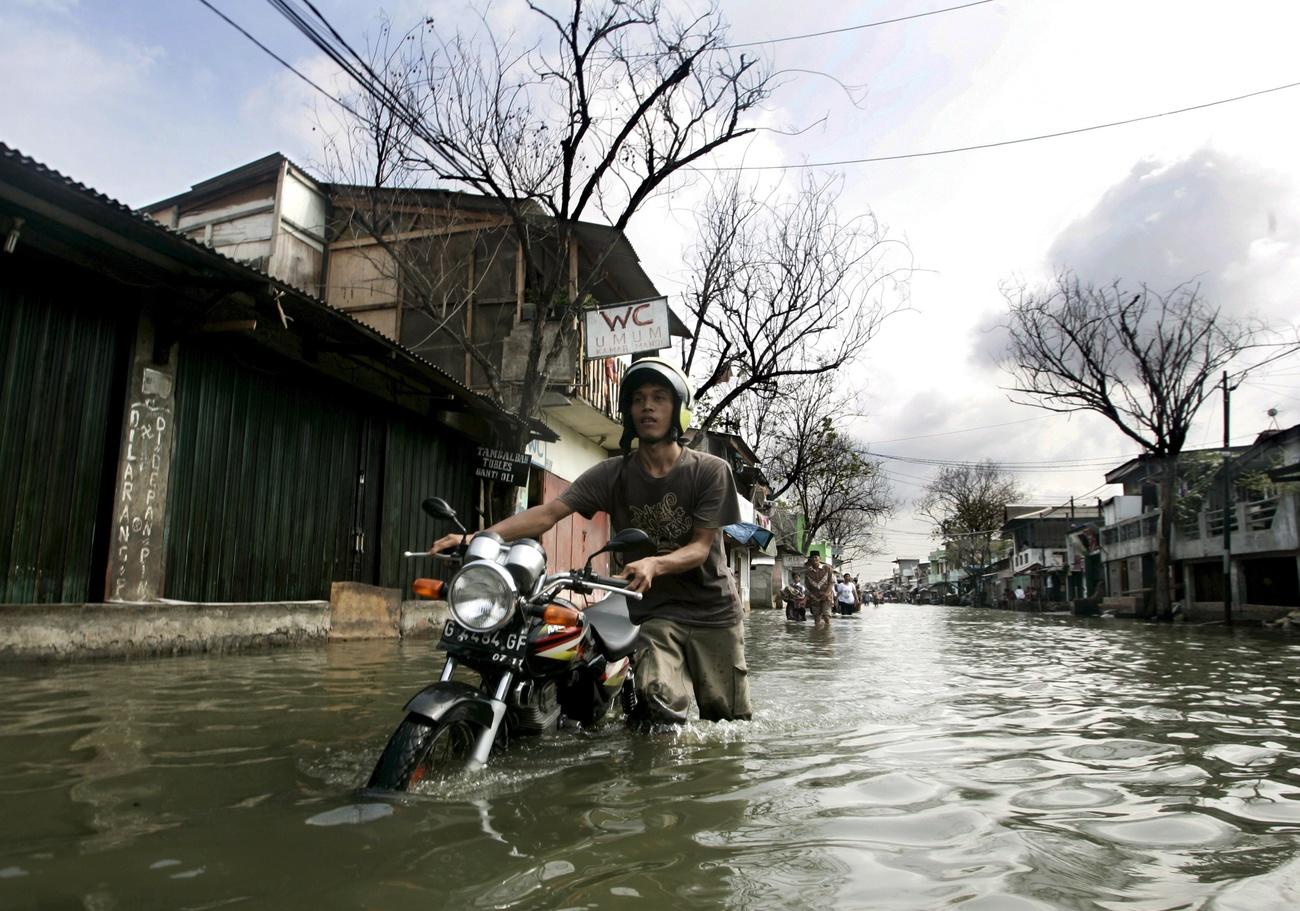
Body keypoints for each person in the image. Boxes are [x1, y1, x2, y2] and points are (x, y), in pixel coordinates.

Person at [429, 356, 750, 725]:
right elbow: (548, 513)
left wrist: (654, 563)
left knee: (727, 724)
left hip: (714, 612)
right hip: (658, 612)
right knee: (657, 699)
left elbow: (700, 547)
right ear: (629, 413)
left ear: (678, 410)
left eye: (659, 398)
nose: (647, 406)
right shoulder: (612, 474)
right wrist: (475, 537)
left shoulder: (710, 471)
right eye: (638, 398)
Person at [803, 553, 834, 629]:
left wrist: (826, 594)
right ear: (810, 560)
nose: (814, 559)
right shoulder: (808, 572)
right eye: (812, 558)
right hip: (814, 597)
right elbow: (807, 586)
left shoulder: (827, 568)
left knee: (826, 616)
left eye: (816, 557)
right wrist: (808, 597)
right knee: (817, 617)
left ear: (820, 558)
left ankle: (827, 634)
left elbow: (831, 582)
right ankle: (817, 636)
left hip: (826, 597)